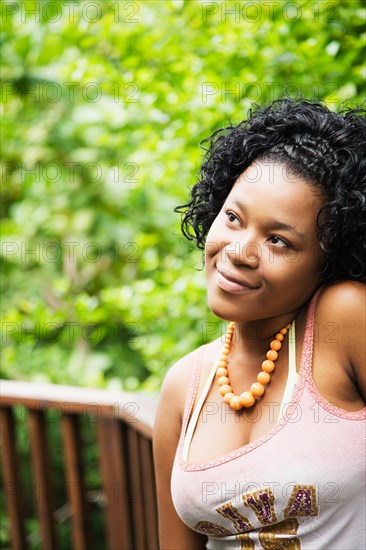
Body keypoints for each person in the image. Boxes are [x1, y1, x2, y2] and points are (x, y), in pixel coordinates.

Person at [153, 99, 366, 549]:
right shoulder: (184, 385)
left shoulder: (344, 322)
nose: (239, 251)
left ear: (330, 261)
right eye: (233, 218)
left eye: (278, 240)